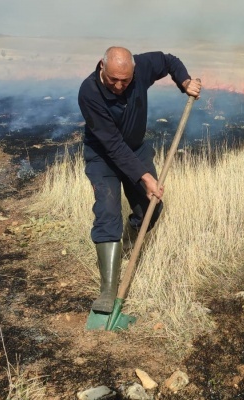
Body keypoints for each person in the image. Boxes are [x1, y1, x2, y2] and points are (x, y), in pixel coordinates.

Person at [78, 46, 201, 313]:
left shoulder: (141, 68)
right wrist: (144, 177)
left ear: (134, 70)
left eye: (126, 79)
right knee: (107, 211)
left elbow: (169, 60)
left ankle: (130, 240)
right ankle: (108, 292)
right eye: (113, 80)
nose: (120, 86)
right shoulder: (88, 92)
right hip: (104, 157)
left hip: (135, 150)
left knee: (152, 207)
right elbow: (112, 145)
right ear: (102, 66)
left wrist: (185, 81)